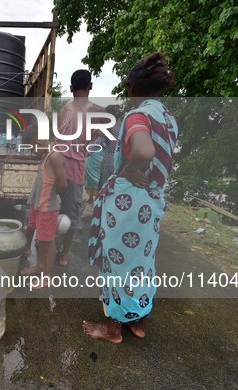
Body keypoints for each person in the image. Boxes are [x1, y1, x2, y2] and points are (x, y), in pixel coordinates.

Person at [84, 52, 178, 343]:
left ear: (133, 88)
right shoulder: (167, 117)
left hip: (128, 205)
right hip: (151, 201)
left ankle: (113, 330)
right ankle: (139, 323)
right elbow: (161, 155)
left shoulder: (138, 115)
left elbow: (144, 151)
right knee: (142, 263)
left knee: (117, 262)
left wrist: (128, 168)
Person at [56, 70, 104, 266]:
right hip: (74, 169)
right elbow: (95, 138)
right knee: (72, 213)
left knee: (50, 207)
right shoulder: (98, 111)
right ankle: (65, 254)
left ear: (70, 88)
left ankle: (47, 247)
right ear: (90, 86)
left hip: (55, 163)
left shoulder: (62, 110)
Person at [20, 140, 67, 287]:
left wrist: (52, 197)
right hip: (38, 204)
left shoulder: (54, 157)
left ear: (38, 142)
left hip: (47, 207)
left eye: (31, 149)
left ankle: (46, 277)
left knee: (48, 242)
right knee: (41, 240)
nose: (32, 153)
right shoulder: (46, 154)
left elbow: (63, 184)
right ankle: (40, 266)